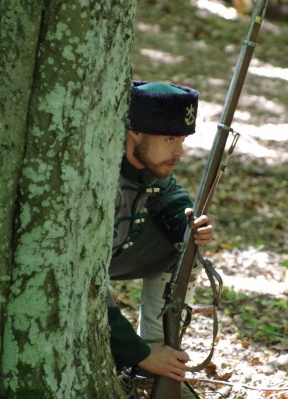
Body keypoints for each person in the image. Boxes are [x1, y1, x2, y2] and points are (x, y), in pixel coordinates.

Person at [107, 81, 214, 385]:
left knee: (184, 245)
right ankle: (148, 359)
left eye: (181, 140)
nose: (179, 152)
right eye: (169, 139)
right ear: (135, 133)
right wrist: (138, 353)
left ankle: (157, 347)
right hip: (87, 270)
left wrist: (191, 226)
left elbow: (171, 196)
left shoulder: (149, 163)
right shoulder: (101, 175)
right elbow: (84, 286)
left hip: (116, 254)